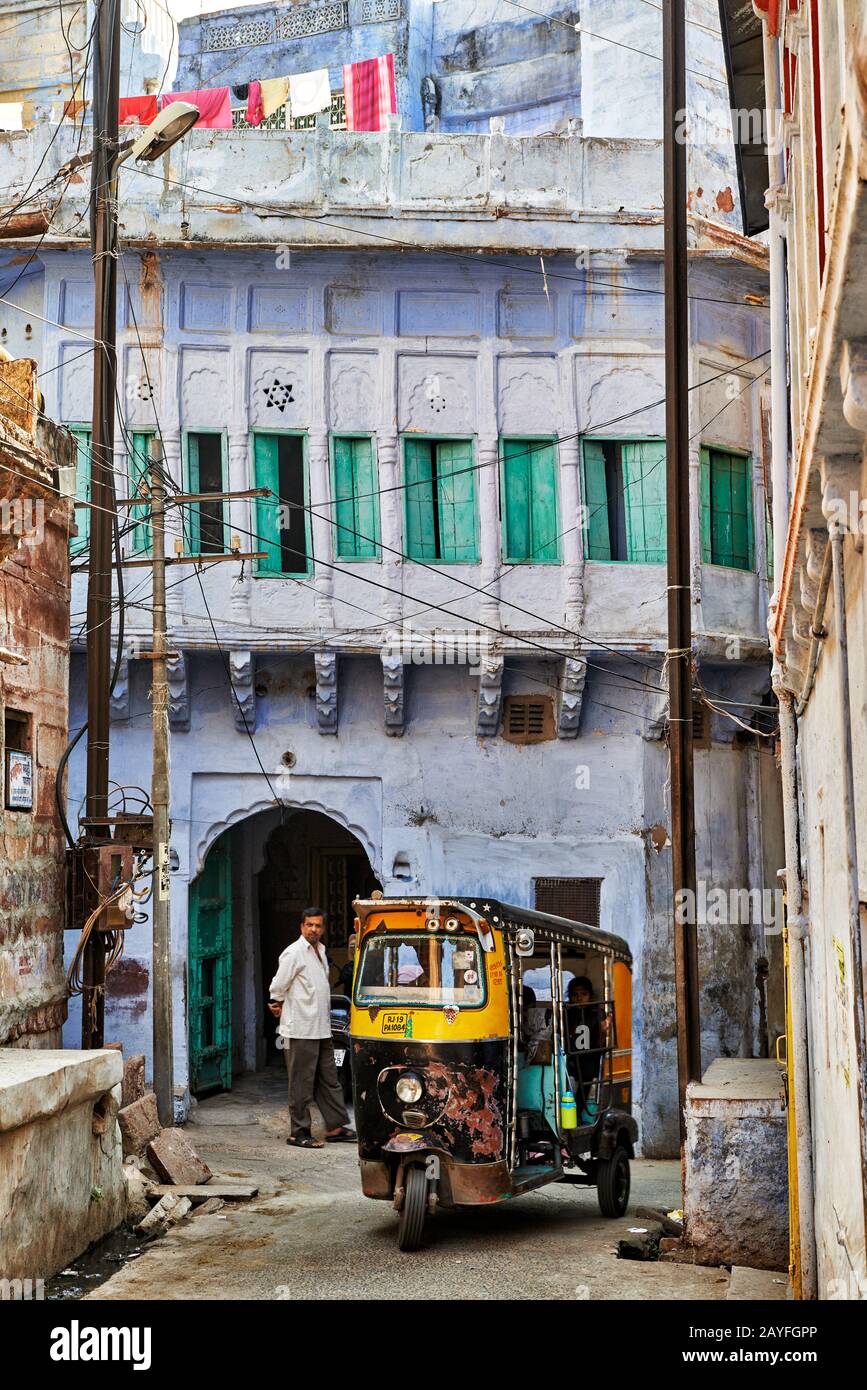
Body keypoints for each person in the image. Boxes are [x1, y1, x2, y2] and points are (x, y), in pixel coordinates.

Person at [268, 906, 356, 1150]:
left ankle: (336, 1127)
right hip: (300, 1029)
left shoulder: (320, 951)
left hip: (321, 1028)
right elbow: (277, 986)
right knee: (301, 1083)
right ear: (302, 927)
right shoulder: (294, 952)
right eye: (309, 925)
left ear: (323, 929)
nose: (314, 929)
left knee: (329, 1080)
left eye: (318, 926)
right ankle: (299, 1132)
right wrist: (278, 1003)